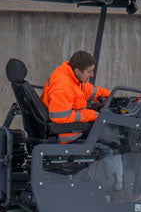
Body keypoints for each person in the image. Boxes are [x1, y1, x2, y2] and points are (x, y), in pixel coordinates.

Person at [42, 51, 126, 195]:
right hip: (66, 135)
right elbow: (60, 117)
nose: (91, 75)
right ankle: (117, 193)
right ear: (77, 70)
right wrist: (93, 115)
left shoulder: (71, 78)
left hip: (67, 130)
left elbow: (88, 90)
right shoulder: (63, 85)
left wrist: (109, 95)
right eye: (89, 71)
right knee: (111, 146)